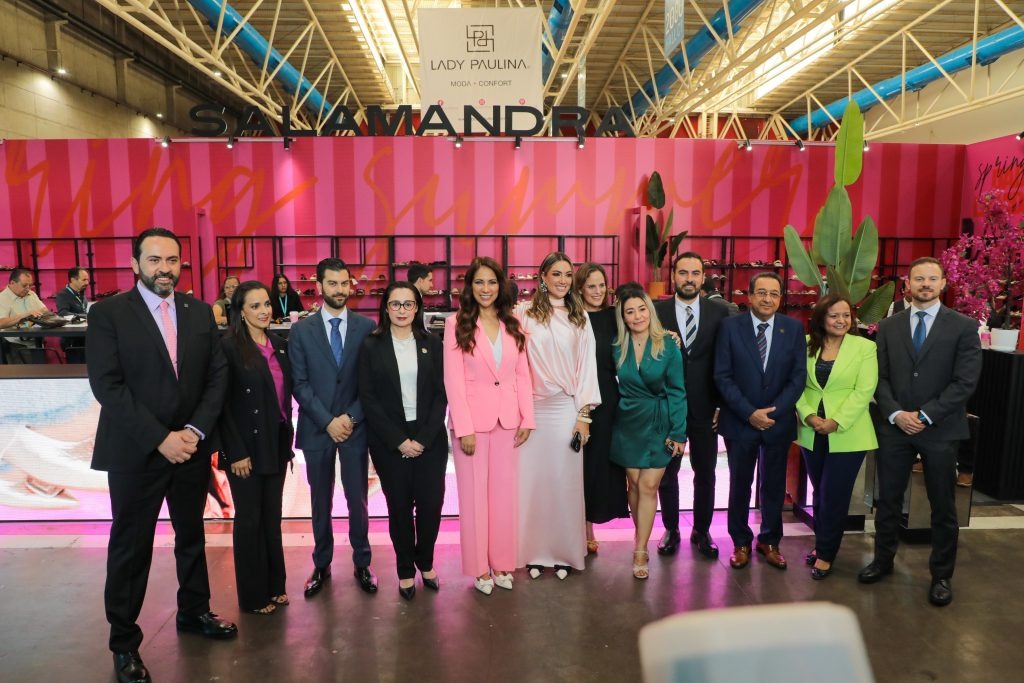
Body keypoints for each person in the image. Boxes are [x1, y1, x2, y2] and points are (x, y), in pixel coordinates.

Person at [86, 227, 234, 683]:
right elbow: (107, 385)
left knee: (191, 536)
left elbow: (217, 376)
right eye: (154, 260)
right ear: (135, 264)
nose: (164, 269)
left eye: (172, 260)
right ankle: (124, 644)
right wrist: (160, 438)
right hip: (136, 452)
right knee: (131, 548)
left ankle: (194, 611)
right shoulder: (108, 313)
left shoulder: (198, 311)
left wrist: (192, 431)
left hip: (190, 448)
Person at [859, 257, 982, 607]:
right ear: (907, 284)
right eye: (918, 279)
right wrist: (896, 413)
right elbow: (879, 377)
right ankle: (883, 560)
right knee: (887, 500)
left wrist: (925, 416)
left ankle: (941, 575)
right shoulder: (889, 326)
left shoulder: (964, 326)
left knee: (942, 505)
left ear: (943, 283)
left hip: (940, 430)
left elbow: (965, 382)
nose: (925, 284)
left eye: (932, 278)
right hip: (895, 427)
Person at [288, 258, 378, 598]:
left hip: (355, 427)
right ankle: (321, 563)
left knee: (358, 499)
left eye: (344, 283)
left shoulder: (366, 327)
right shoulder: (301, 330)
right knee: (319, 500)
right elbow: (299, 383)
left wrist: (350, 419)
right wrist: (328, 421)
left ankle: (362, 562)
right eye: (333, 283)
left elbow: (370, 383)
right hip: (317, 427)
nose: (339, 290)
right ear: (319, 286)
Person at [445, 257, 534, 594]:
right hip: (472, 425)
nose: (486, 289)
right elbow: (453, 380)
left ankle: (502, 562)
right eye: (479, 282)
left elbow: (522, 374)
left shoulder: (513, 323)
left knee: (503, 497)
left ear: (501, 286)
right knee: (474, 499)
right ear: (470, 286)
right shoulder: (456, 323)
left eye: (492, 282)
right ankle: (480, 569)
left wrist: (528, 417)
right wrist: (464, 428)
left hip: (508, 421)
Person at [358, 282, 448, 600]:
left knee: (430, 506)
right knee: (399, 509)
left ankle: (426, 562)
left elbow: (441, 394)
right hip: (389, 440)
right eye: (395, 304)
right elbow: (368, 398)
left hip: (429, 439)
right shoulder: (371, 345)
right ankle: (406, 569)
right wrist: (399, 440)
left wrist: (422, 439)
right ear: (386, 307)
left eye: (408, 304)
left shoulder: (432, 343)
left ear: (417, 308)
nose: (401, 310)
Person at [516, 252, 601, 580]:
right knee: (533, 484)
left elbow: (587, 369)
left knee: (564, 484)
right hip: (532, 411)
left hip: (567, 409)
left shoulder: (580, 318)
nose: (563, 280)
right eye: (556, 274)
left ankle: (565, 553)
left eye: (567, 275)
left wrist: (584, 417)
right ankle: (534, 553)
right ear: (543, 277)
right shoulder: (523, 314)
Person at [714, 272, 806, 571]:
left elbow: (798, 378)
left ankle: (770, 541)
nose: (768, 299)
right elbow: (722, 376)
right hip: (740, 421)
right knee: (740, 484)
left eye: (774, 294)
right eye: (762, 292)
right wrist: (749, 412)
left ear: (780, 298)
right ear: (750, 296)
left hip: (778, 424)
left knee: (774, 485)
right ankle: (740, 541)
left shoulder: (793, 329)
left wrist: (773, 413)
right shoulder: (730, 327)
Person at [218, 280, 294, 614]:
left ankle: (276, 585)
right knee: (250, 520)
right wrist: (235, 452)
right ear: (240, 311)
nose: (263, 311)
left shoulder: (279, 344)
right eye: (255, 306)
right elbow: (221, 405)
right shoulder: (228, 347)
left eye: (266, 304)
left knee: (271, 518)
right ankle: (252, 596)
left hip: (276, 442)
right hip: (245, 448)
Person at [795, 294, 878, 580]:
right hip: (811, 429)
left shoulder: (865, 347)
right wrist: (808, 415)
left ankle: (826, 554)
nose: (841, 320)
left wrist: (836, 421)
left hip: (848, 431)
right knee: (819, 492)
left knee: (834, 494)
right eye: (834, 315)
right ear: (821, 318)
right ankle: (822, 544)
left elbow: (864, 390)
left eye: (846, 315)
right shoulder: (805, 344)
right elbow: (795, 384)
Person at [654, 253, 731, 560]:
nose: (689, 278)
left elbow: (727, 361)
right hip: (667, 407)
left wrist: (722, 404)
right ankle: (671, 529)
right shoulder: (656, 311)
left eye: (695, 273)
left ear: (702, 277)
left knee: (706, 471)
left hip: (706, 407)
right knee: (667, 472)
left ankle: (702, 530)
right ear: (673, 275)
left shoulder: (721, 312)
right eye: (683, 272)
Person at [610, 284, 687, 579]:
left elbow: (678, 391)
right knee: (633, 483)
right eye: (630, 312)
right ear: (623, 317)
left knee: (648, 486)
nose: (637, 316)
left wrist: (678, 432)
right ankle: (639, 533)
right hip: (628, 421)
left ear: (650, 311)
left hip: (660, 421)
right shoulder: (617, 346)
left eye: (642, 309)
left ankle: (640, 549)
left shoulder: (668, 344)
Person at [574, 262, 629, 554]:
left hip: (607, 396)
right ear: (580, 288)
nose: (597, 291)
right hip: (575, 396)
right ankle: (577, 528)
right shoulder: (572, 317)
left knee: (599, 464)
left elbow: (642, 332)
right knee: (576, 464)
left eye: (601, 285)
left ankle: (589, 525)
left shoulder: (614, 316)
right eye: (591, 286)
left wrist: (667, 335)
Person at [0, 268, 50, 362]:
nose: (28, 289)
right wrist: (25, 315)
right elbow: (1, 323)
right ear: (12, 283)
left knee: (43, 370)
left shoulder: (31, 294)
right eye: (24, 285)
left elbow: (45, 311)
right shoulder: (2, 298)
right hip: (16, 346)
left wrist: (31, 320)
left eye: (30, 285)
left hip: (36, 341)